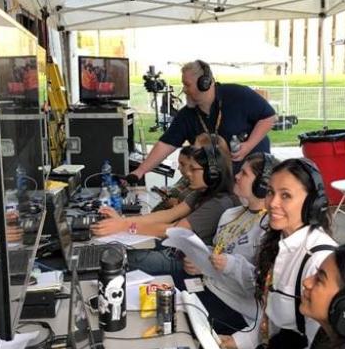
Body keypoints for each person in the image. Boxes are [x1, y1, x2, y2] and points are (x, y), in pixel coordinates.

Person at [218, 158, 337, 349]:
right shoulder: (278, 243)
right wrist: (241, 341)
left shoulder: (319, 260)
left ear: (313, 203)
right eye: (271, 192)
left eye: (286, 195)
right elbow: (270, 314)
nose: (272, 202)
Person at [91, 135, 238, 276]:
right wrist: (123, 221)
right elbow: (167, 215)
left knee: (116, 258)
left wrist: (124, 227)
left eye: (193, 169)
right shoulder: (201, 191)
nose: (187, 172)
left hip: (180, 260)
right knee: (113, 251)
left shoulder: (218, 203)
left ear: (212, 174)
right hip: (173, 248)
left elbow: (174, 230)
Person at [127, 60, 276, 181]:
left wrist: (249, 145)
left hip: (253, 179)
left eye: (187, 84)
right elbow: (166, 144)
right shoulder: (187, 115)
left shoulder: (237, 94)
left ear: (204, 83)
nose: (184, 89)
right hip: (220, 182)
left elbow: (269, 117)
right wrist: (140, 171)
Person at [183, 152, 276, 334]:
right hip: (210, 286)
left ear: (262, 185)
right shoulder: (231, 215)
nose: (237, 176)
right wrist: (200, 262)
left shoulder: (269, 227)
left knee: (179, 319)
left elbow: (262, 286)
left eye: (244, 173)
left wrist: (230, 264)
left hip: (237, 307)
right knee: (163, 291)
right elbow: (219, 251)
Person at [151, 145, 195, 211]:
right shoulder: (186, 177)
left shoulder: (199, 188)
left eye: (182, 164)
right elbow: (177, 188)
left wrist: (178, 204)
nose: (178, 168)